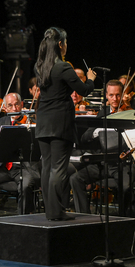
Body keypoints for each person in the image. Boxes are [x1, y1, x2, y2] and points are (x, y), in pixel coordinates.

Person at [34, 27, 96, 221]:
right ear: (60, 44)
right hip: (59, 123)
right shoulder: (63, 67)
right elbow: (84, 90)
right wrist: (92, 79)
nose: (67, 46)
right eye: (66, 42)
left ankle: (50, 211)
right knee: (58, 168)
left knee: (47, 167)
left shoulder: (41, 65)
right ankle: (55, 211)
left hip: (43, 122)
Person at [70, 80, 132, 214]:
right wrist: (96, 131)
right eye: (111, 95)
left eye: (118, 95)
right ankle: (84, 217)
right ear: (106, 96)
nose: (115, 99)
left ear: (123, 95)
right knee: (75, 179)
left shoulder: (130, 114)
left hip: (122, 164)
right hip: (103, 163)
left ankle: (123, 218)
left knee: (126, 187)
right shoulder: (103, 113)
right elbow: (84, 138)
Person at [0, 93, 41, 216]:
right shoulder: (3, 121)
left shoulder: (31, 120)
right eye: (10, 106)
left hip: (24, 167)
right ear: (5, 108)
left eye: (17, 105)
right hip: (5, 167)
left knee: (25, 186)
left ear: (21, 105)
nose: (14, 109)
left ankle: (22, 221)